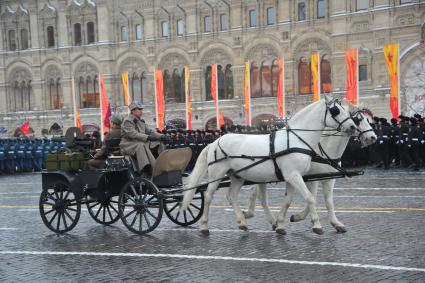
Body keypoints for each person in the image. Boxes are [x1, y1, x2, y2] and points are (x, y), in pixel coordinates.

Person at [120, 101, 166, 176]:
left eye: (142, 109)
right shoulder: (127, 121)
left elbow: (150, 131)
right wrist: (148, 137)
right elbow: (133, 134)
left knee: (158, 142)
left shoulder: (140, 120)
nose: (141, 111)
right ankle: (146, 168)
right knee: (140, 145)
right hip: (128, 144)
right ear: (133, 110)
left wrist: (161, 136)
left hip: (140, 142)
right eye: (139, 109)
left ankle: (162, 163)